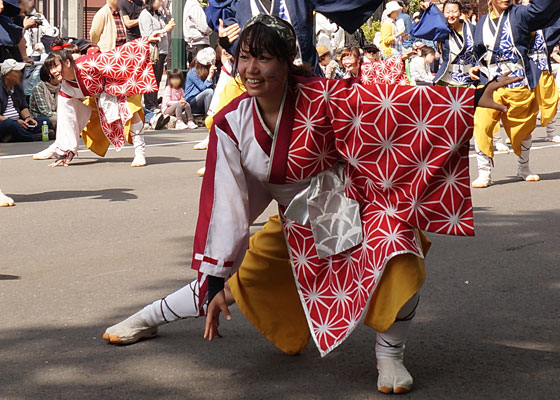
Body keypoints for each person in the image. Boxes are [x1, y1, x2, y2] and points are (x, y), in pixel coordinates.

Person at [103, 14, 518, 395]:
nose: (251, 69)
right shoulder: (230, 121)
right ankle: (147, 318)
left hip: (355, 206)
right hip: (296, 220)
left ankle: (390, 356)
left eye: (264, 58)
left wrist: (471, 97)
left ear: (287, 62)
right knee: (233, 285)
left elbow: (397, 107)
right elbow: (224, 201)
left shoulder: (324, 95)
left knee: (398, 251)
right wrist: (214, 276)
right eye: (245, 57)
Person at [32, 34, 163, 166]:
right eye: (51, 68)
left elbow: (117, 55)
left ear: (67, 62)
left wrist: (146, 40)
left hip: (120, 86)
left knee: (130, 111)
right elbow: (66, 121)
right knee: (76, 120)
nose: (53, 71)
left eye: (55, 66)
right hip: (99, 97)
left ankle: (140, 152)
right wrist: (65, 152)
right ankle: (59, 147)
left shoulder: (87, 63)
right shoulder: (65, 88)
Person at [470, 0, 560, 188]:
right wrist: (474, 67)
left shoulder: (519, 14)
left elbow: (541, 9)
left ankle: (524, 167)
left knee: (523, 128)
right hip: (489, 82)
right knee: (482, 124)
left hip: (517, 80)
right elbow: (478, 52)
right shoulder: (482, 21)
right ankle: (484, 172)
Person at [412, 0, 476, 87]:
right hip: (446, 79)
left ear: (461, 12)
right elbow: (416, 31)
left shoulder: (472, 29)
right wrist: (423, 12)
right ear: (443, 13)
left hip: (469, 79)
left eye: (454, 12)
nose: (451, 15)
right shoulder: (442, 30)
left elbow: (481, 52)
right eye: (448, 12)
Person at [0, 58, 48, 142]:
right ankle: (33, 137)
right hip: (5, 122)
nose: (20, 74)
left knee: (45, 121)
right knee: (11, 125)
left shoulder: (17, 87)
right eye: (17, 72)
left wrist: (27, 118)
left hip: (19, 121)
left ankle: (14, 136)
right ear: (7, 74)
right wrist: (14, 122)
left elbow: (23, 106)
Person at [139, 0, 174, 112]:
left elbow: (169, 21)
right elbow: (149, 34)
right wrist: (164, 30)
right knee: (152, 77)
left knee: (157, 78)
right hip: (153, 51)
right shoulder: (145, 14)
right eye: (159, 0)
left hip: (162, 50)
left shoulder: (157, 14)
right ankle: (150, 104)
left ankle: (154, 102)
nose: (160, 2)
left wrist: (165, 9)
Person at [184, 47, 216, 117]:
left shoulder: (211, 71)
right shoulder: (193, 72)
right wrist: (210, 76)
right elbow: (203, 88)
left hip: (205, 101)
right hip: (192, 102)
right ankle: (208, 116)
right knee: (209, 91)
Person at [29, 62, 59, 130]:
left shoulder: (60, 87)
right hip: (41, 118)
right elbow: (44, 112)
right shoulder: (38, 87)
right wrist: (62, 116)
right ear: (49, 75)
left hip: (56, 114)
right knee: (58, 120)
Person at [183, 0, 212, 64]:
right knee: (201, 71)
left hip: (194, 44)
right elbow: (205, 27)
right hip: (198, 44)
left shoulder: (191, 4)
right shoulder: (194, 5)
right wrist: (211, 29)